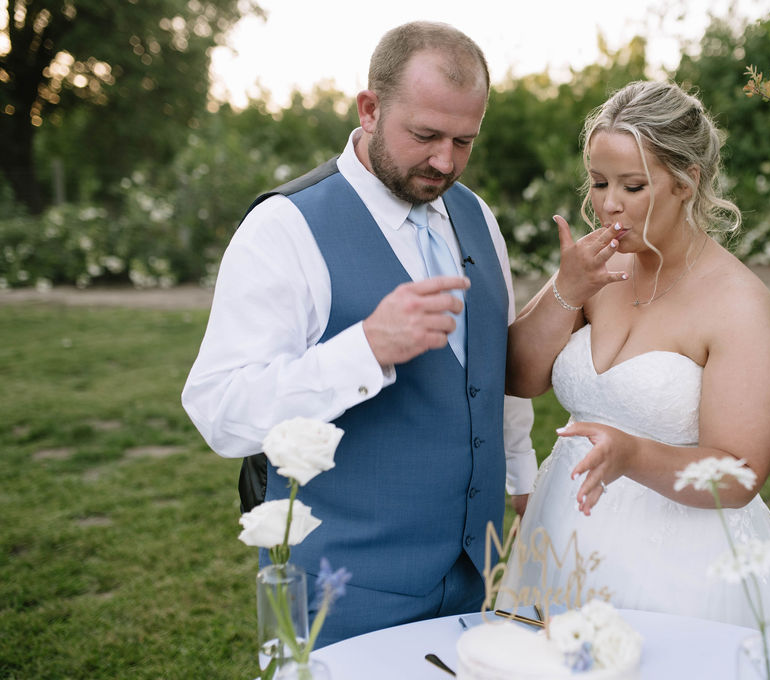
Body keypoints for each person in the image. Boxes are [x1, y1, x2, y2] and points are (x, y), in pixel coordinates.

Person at [182, 21, 537, 645]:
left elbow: (490, 369)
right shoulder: (284, 229)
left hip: (477, 578)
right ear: (370, 109)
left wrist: (521, 477)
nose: (444, 161)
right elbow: (220, 411)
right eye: (424, 135)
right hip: (343, 597)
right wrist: (364, 349)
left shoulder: (477, 215)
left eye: (464, 140)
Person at [497, 81, 770, 642]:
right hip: (562, 533)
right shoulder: (596, 267)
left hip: (680, 566)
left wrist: (634, 455)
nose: (608, 204)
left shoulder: (739, 305)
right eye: (599, 183)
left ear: (685, 181)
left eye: (632, 185)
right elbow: (519, 376)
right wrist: (566, 289)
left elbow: (737, 474)